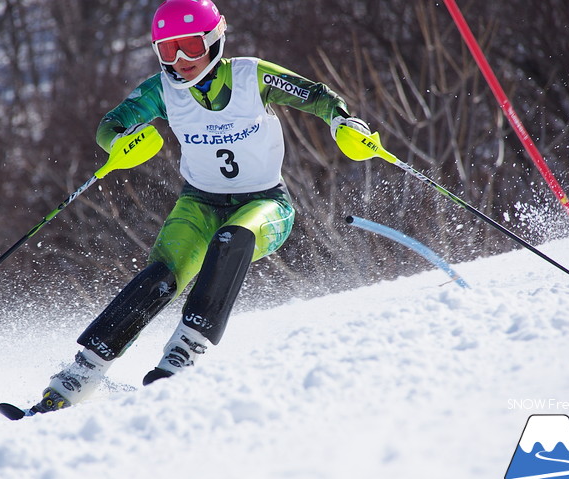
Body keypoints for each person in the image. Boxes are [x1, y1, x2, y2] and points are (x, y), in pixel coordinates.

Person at [28, 0, 372, 414]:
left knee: (233, 239)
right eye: (168, 50)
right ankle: (81, 373)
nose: (181, 60)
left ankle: (185, 351)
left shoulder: (250, 75)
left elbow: (317, 96)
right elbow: (111, 125)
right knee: (160, 276)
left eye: (191, 46)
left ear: (214, 41)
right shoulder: (163, 89)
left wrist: (344, 122)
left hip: (265, 204)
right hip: (199, 203)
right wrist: (119, 142)